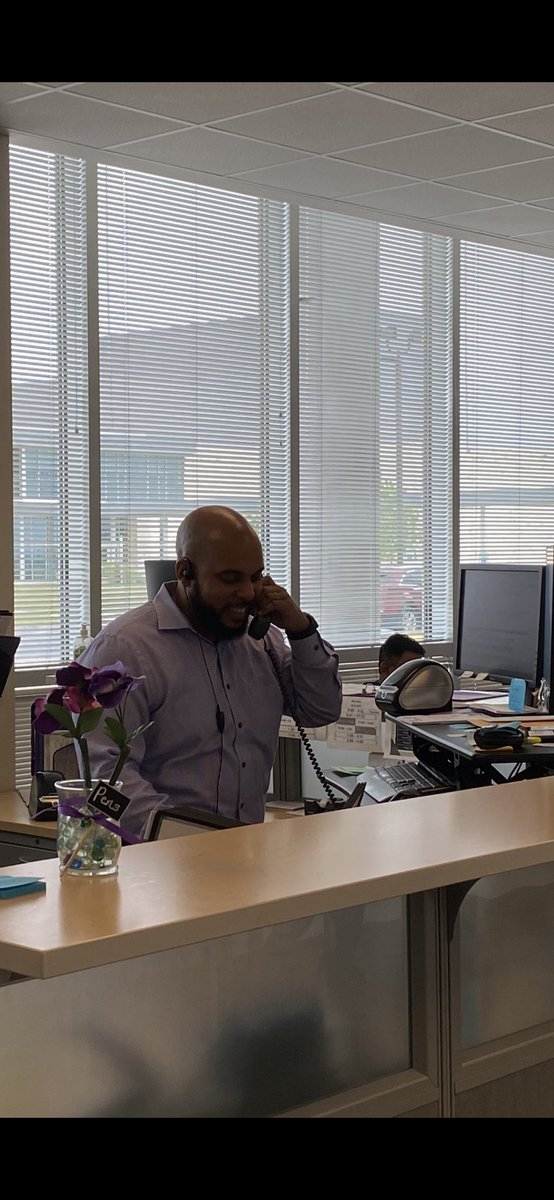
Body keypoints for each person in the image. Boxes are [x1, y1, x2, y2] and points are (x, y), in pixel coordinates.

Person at [79, 506, 342, 838]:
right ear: (186, 572)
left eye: (255, 577)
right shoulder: (124, 650)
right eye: (230, 579)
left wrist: (301, 630)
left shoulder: (264, 643)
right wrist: (180, 840)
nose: (247, 593)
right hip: (156, 865)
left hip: (244, 855)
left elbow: (321, 709)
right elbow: (102, 775)